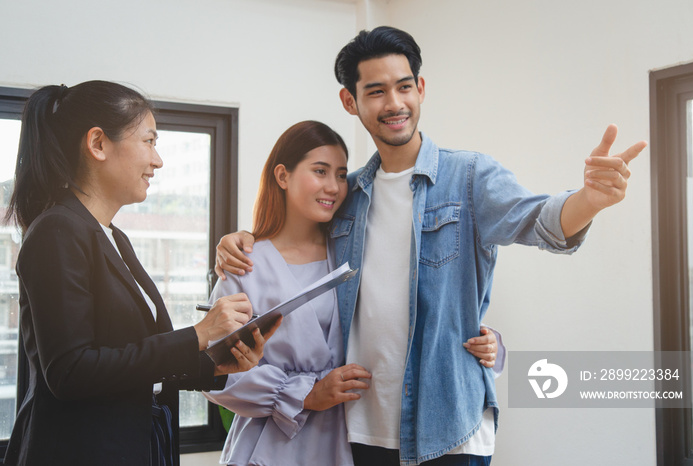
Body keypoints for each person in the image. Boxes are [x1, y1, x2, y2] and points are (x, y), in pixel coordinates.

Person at [218, 26, 647, 466]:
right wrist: (242, 239)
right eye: (376, 91)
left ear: (420, 89)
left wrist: (588, 201)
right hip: (360, 431)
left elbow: (540, 221)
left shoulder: (469, 176)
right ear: (351, 102)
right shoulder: (347, 199)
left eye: (404, 87)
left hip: (450, 430)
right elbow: (296, 244)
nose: (394, 103)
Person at [2, 81, 279, 466]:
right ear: (98, 144)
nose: (158, 160)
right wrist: (198, 335)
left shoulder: (114, 237)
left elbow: (130, 360)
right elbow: (71, 371)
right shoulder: (57, 231)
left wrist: (214, 364)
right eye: (149, 141)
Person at [204, 121, 502, 466]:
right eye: (320, 171)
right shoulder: (244, 265)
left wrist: (486, 343)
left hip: (352, 444)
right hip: (269, 448)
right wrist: (306, 394)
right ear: (282, 176)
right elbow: (215, 372)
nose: (333, 187)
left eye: (341, 175)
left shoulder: (349, 252)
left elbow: (405, 318)